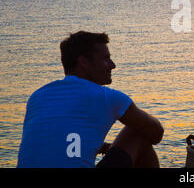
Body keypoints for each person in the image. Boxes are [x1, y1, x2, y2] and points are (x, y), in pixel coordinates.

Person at [17, 31, 164, 168]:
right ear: (84, 62)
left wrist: (98, 145)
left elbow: (53, 139)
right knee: (137, 131)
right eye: (106, 59)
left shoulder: (38, 96)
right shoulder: (107, 97)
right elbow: (156, 133)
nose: (113, 65)